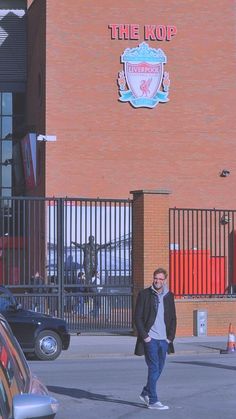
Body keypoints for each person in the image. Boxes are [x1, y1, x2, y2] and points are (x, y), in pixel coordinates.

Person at [134, 267, 177, 410]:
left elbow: (173, 318)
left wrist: (170, 338)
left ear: (165, 280)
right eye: (155, 278)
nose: (157, 281)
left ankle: (145, 392)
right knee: (153, 368)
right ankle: (153, 400)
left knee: (159, 368)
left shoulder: (169, 295)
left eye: (160, 279)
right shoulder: (145, 294)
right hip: (150, 339)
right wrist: (145, 337)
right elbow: (138, 318)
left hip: (164, 340)